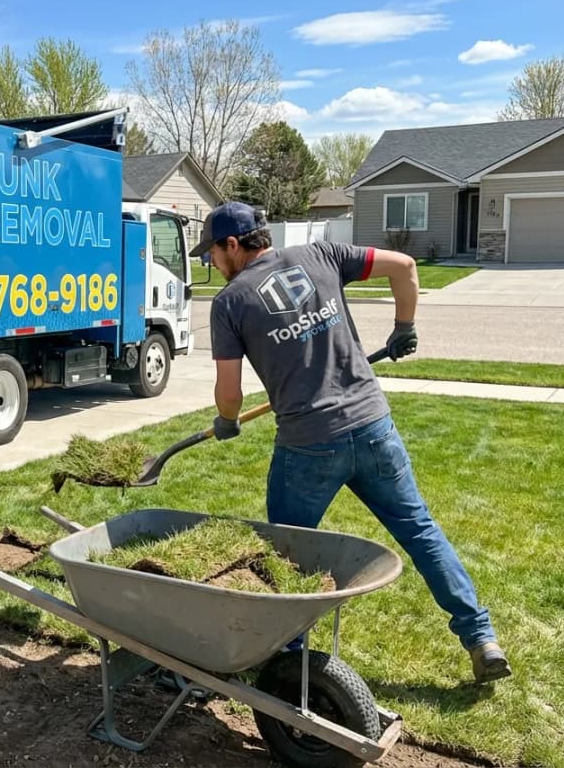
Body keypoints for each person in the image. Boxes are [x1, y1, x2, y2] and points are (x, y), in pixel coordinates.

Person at [191, 201, 511, 684]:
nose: (213, 263)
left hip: (308, 448)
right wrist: (405, 326)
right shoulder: (322, 254)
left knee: (289, 554)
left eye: (212, 253)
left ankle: (289, 656)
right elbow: (404, 268)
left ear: (233, 244)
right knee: (420, 531)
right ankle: (481, 637)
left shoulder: (231, 302)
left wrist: (227, 420)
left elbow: (230, 392)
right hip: (373, 428)